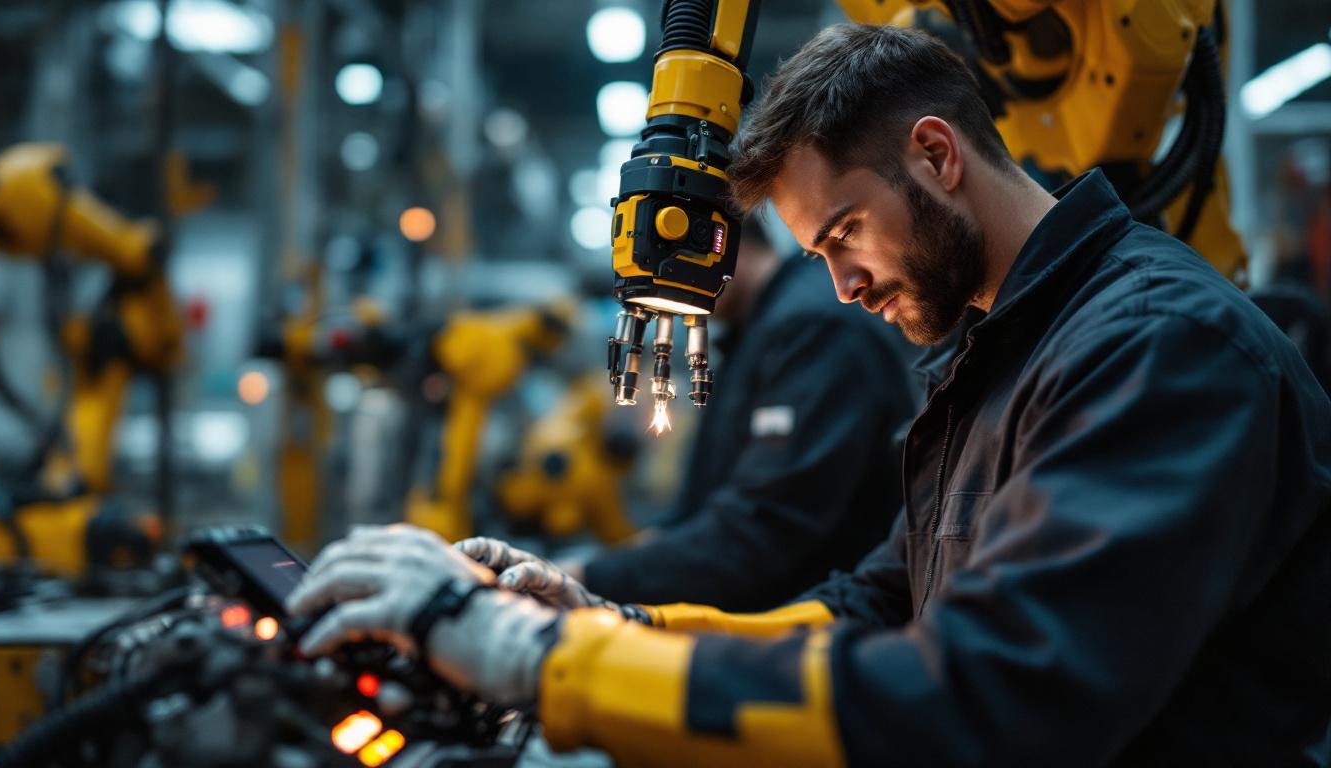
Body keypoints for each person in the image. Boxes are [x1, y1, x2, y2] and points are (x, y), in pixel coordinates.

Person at [287, 24, 1331, 766]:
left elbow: (996, 698)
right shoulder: (1001, 355)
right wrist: (616, 621)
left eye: (842, 236)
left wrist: (544, 661)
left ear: (935, 154)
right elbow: (875, 609)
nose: (841, 286)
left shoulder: (1155, 347)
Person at [468, 217, 916, 614]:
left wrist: (585, 575)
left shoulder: (816, 328)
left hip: (814, 644)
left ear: (717, 237)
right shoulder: (756, 329)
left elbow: (759, 533)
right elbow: (710, 507)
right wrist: (632, 557)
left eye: (666, 270)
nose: (664, 296)